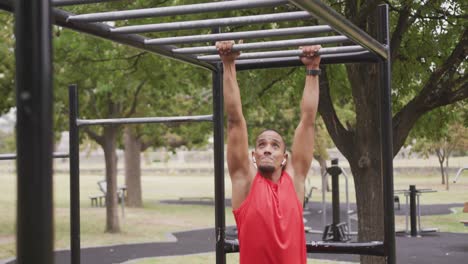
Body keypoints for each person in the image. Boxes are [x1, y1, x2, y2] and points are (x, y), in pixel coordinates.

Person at [216, 40, 321, 264]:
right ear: (253, 156)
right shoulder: (244, 181)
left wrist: (312, 69)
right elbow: (235, 120)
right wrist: (228, 63)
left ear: (285, 158)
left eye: (275, 146)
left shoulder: (295, 180)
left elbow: (308, 121)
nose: (267, 150)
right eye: (261, 145)